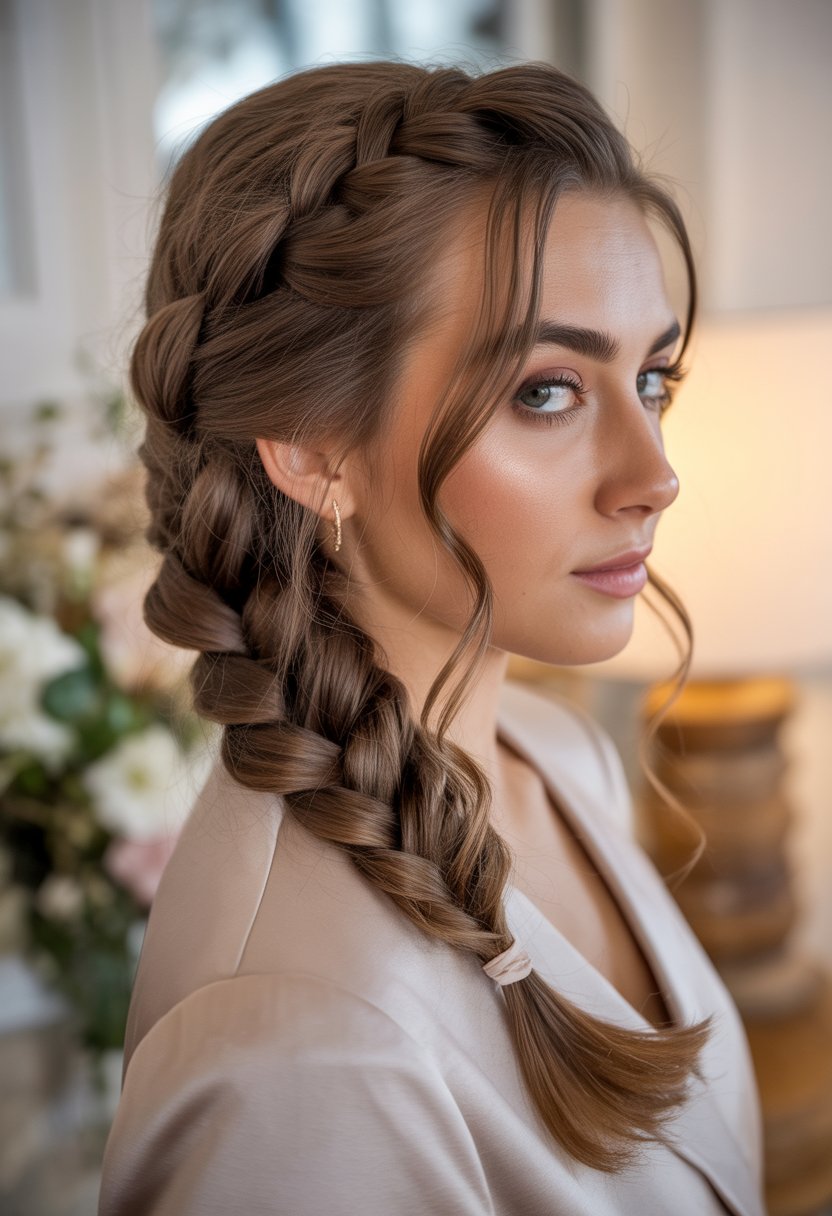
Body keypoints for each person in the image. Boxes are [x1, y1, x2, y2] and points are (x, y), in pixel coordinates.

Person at [97, 59, 766, 1216]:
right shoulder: (292, 1054)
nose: (653, 475)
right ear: (312, 448)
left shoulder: (559, 759)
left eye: (652, 377)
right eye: (546, 391)